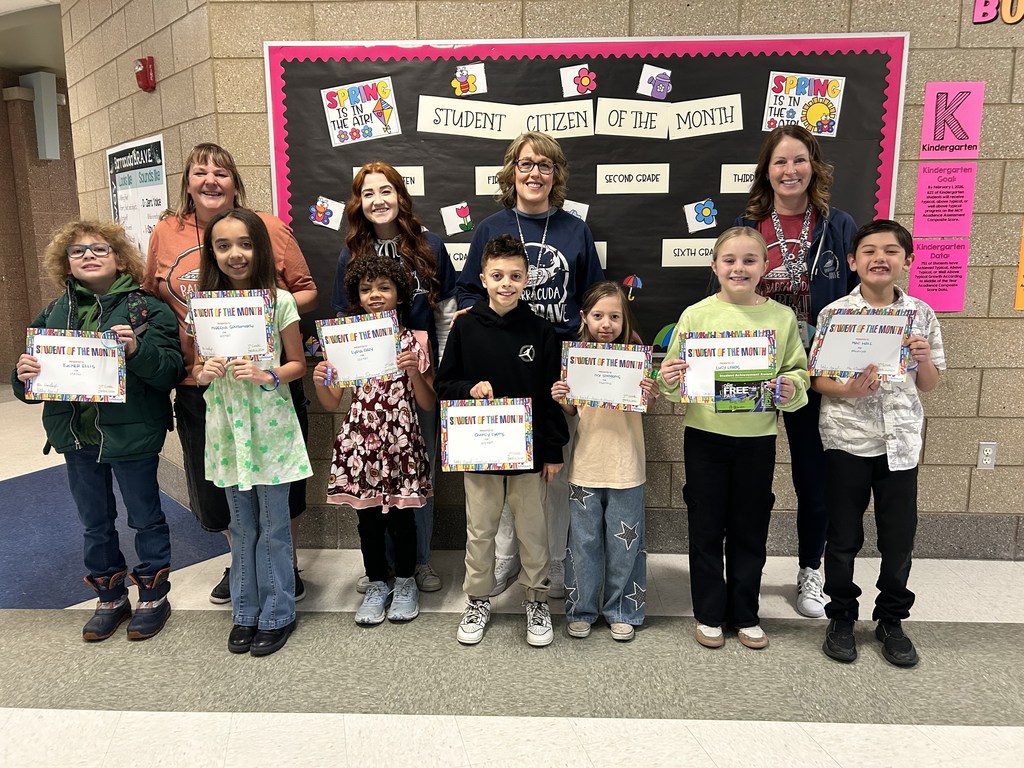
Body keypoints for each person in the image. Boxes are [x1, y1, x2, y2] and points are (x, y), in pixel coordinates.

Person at [145, 143, 317, 604]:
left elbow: (303, 296)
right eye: (199, 172)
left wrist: (263, 314)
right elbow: (153, 297)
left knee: (277, 499)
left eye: (220, 171)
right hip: (212, 396)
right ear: (186, 183)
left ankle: (281, 574)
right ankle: (245, 574)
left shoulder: (271, 233)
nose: (210, 180)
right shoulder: (166, 233)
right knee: (228, 497)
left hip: (267, 398)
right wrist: (198, 359)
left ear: (236, 182)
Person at [12, 220, 185, 641]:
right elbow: (33, 388)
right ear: (65, 264)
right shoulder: (53, 312)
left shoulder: (147, 308)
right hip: (76, 436)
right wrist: (23, 377)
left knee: (145, 518)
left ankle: (153, 595)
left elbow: (170, 373)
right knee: (95, 522)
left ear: (120, 257)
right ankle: (109, 595)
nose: (88, 255)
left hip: (133, 434)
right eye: (77, 251)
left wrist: (136, 349)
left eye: (99, 248)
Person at [456, 131, 604, 599]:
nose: (534, 173)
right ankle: (504, 559)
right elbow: (466, 290)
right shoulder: (490, 227)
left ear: (555, 174)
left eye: (544, 165)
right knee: (498, 468)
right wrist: (465, 313)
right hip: (502, 368)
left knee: (550, 468)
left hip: (560, 366)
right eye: (525, 164)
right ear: (511, 173)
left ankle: (552, 563)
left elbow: (594, 294)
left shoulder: (574, 229)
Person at [659, 227, 809, 651]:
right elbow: (673, 382)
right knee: (705, 526)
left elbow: (798, 373)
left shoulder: (780, 318)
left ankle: (745, 612)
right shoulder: (696, 314)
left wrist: (789, 388)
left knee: (749, 527)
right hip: (704, 436)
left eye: (749, 260)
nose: (738, 268)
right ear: (714, 266)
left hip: (757, 439)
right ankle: (709, 612)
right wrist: (669, 378)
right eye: (729, 260)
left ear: (765, 266)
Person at [734, 125, 857, 618]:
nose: (789, 170)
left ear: (815, 166)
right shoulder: (747, 224)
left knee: (813, 476)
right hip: (758, 369)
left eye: (799, 160)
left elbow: (854, 298)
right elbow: (727, 287)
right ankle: (747, 570)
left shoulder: (838, 224)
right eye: (780, 162)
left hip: (817, 373)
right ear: (767, 170)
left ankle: (811, 570)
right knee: (749, 475)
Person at [814, 220, 944, 668]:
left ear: (907, 261)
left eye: (891, 251)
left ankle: (891, 619)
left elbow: (928, 384)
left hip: (901, 443)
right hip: (847, 440)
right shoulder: (835, 315)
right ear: (852, 262)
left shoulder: (922, 314)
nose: (879, 258)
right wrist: (848, 390)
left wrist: (924, 360)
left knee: (898, 537)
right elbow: (818, 379)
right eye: (868, 251)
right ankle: (842, 617)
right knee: (844, 536)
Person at [437, 234, 569, 647]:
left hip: (529, 456)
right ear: (483, 278)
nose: (506, 283)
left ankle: (536, 599)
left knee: (533, 529)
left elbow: (551, 396)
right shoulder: (466, 327)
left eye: (515, 275)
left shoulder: (541, 331)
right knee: (481, 529)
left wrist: (551, 450)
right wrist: (469, 389)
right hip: (479, 451)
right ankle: (478, 598)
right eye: (497, 275)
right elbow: (444, 384)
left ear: (527, 279)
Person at [331, 161, 456, 594]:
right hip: (370, 386)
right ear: (358, 203)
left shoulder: (430, 245)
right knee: (373, 475)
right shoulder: (351, 253)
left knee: (415, 472)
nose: (378, 200)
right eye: (368, 193)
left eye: (386, 191)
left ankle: (417, 563)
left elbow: (443, 316)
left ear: (400, 196)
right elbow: (344, 318)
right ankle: (381, 570)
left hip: (416, 376)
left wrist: (437, 371)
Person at [193, 208, 311, 657]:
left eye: (244, 244)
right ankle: (244, 610)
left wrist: (270, 376)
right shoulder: (204, 307)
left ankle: (278, 611)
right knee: (240, 527)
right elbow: (195, 368)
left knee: (275, 526)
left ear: (260, 248)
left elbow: (298, 363)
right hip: (226, 431)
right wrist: (205, 371)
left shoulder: (279, 301)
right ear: (212, 253)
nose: (235, 254)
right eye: (223, 246)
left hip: (271, 429)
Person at [317, 254, 435, 625]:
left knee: (403, 518)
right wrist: (326, 379)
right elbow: (332, 401)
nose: (375, 295)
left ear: (400, 294)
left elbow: (428, 401)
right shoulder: (347, 340)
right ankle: (377, 583)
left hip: (401, 441)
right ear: (357, 294)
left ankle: (404, 582)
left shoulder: (415, 340)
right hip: (361, 442)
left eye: (384, 287)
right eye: (366, 289)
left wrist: (414, 372)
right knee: (367, 520)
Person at [550, 281, 657, 643]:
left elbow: (645, 407)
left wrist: (649, 393)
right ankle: (581, 609)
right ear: (584, 317)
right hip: (586, 465)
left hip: (627, 465)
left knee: (626, 544)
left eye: (614, 316)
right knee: (583, 542)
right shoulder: (576, 359)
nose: (606, 323)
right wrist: (562, 396)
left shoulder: (635, 357)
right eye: (598, 316)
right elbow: (571, 409)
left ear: (624, 318)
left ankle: (622, 609)